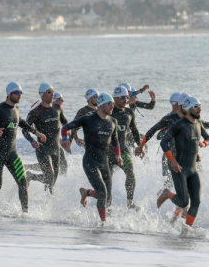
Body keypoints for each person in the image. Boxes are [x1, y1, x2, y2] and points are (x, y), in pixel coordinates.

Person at [0, 82, 45, 213]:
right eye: (17, 92)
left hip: (12, 152)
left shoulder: (16, 110)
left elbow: (22, 123)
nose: (19, 95)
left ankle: (25, 213)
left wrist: (37, 133)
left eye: (21, 93)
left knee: (22, 181)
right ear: (9, 94)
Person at [60, 92, 122, 223]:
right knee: (102, 193)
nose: (113, 106)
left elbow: (115, 141)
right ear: (101, 104)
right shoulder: (88, 119)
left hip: (105, 163)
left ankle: (86, 192)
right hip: (90, 161)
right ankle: (103, 223)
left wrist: (118, 155)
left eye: (113, 104)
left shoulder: (113, 121)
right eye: (110, 104)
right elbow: (66, 127)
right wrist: (65, 140)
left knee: (107, 197)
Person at [156, 97, 209, 229]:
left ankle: (187, 230)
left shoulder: (198, 123)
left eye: (200, 106)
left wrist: (204, 143)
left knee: (196, 201)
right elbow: (163, 142)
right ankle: (166, 193)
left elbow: (208, 137)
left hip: (193, 169)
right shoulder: (179, 125)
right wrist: (173, 161)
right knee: (183, 201)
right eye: (196, 107)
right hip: (179, 168)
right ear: (188, 109)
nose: (199, 109)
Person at [23, 83, 68, 194]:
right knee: (50, 176)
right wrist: (32, 140)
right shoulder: (35, 112)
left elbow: (65, 123)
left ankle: (46, 202)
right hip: (43, 149)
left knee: (52, 181)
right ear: (42, 94)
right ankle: (31, 178)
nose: (52, 94)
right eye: (49, 92)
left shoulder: (57, 108)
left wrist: (66, 138)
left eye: (53, 91)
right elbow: (24, 129)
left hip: (56, 148)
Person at [110, 85, 142, 209]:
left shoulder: (129, 112)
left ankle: (130, 202)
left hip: (123, 150)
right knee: (107, 180)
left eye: (127, 97)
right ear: (115, 98)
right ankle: (107, 205)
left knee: (131, 173)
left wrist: (140, 146)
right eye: (123, 97)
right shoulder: (108, 111)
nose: (126, 100)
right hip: (107, 152)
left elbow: (134, 130)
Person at [53, 91, 68, 176]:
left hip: (56, 141)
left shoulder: (59, 109)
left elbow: (65, 123)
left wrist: (66, 133)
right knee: (51, 166)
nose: (63, 101)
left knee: (63, 164)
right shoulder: (47, 109)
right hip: (47, 142)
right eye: (60, 99)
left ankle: (62, 182)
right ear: (55, 100)